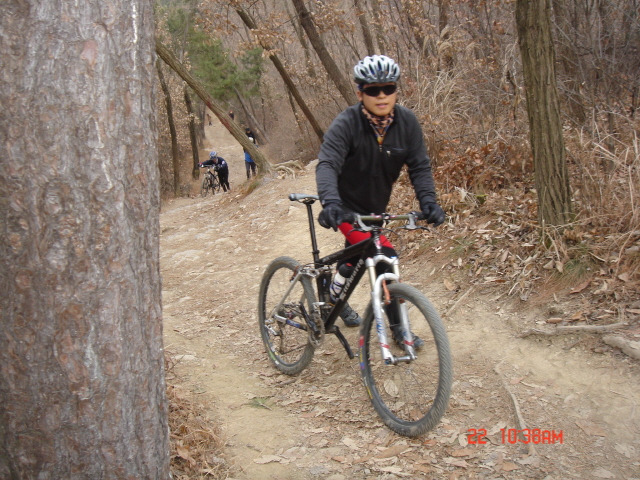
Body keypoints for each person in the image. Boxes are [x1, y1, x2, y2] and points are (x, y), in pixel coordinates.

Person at [315, 55, 445, 346]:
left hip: (376, 208)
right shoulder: (346, 124)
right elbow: (327, 164)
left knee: (354, 259)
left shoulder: (407, 123)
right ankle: (400, 330)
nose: (382, 95)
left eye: (388, 88)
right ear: (360, 93)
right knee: (385, 257)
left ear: (396, 90)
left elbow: (420, 166)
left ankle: (331, 295)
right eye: (373, 90)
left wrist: (429, 202)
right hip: (345, 207)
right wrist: (331, 203)